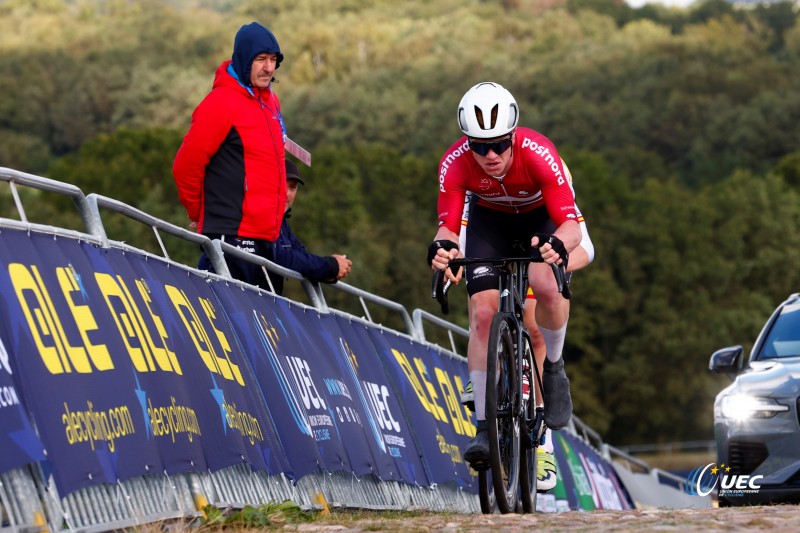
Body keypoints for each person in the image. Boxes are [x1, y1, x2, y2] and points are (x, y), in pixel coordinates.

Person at [428, 82, 582, 470]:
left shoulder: (539, 153)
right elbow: (448, 225)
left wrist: (559, 246)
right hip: (490, 224)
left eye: (499, 144)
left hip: (538, 218)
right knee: (483, 314)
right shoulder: (455, 162)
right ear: (468, 145)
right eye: (480, 147)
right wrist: (441, 248)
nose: (491, 155)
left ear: (514, 137)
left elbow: (571, 225)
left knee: (545, 283)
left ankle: (555, 369)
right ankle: (483, 426)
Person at [457, 166, 595, 489]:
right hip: (497, 237)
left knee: (533, 325)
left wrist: (555, 261)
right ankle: (489, 365)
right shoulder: (478, 184)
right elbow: (462, 235)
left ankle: (543, 443)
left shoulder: (551, 178)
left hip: (542, 249)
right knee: (482, 300)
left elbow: (586, 247)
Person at [173, 22, 287, 290]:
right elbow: (185, 166)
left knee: (267, 327)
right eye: (261, 59)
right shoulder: (220, 103)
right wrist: (200, 212)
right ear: (244, 59)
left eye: (273, 60)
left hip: (268, 238)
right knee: (232, 324)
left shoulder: (271, 101)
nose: (268, 68)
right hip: (233, 236)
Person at [270, 159, 352, 295]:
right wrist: (330, 266)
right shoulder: (260, 217)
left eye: (292, 187)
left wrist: (328, 269)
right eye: (281, 183)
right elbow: (280, 257)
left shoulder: (282, 223)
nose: (287, 193)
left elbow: (301, 256)